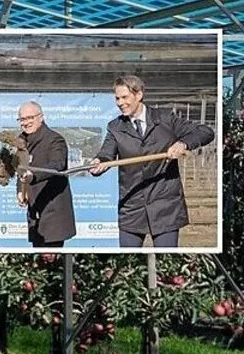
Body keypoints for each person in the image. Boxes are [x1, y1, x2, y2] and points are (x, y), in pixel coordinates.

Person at [89, 75, 214, 247]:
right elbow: (106, 153)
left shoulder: (165, 119)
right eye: (117, 98)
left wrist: (183, 143)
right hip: (132, 207)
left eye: (124, 97)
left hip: (165, 207)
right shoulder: (115, 127)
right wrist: (99, 161)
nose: (119, 103)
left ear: (139, 95)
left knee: (165, 259)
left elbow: (205, 132)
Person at [16, 101, 76, 247]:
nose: (26, 123)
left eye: (30, 118)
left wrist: (33, 175)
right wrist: (20, 191)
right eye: (22, 119)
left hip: (53, 212)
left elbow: (57, 166)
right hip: (34, 212)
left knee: (51, 260)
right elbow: (20, 169)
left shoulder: (55, 140)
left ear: (40, 117)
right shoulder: (20, 142)